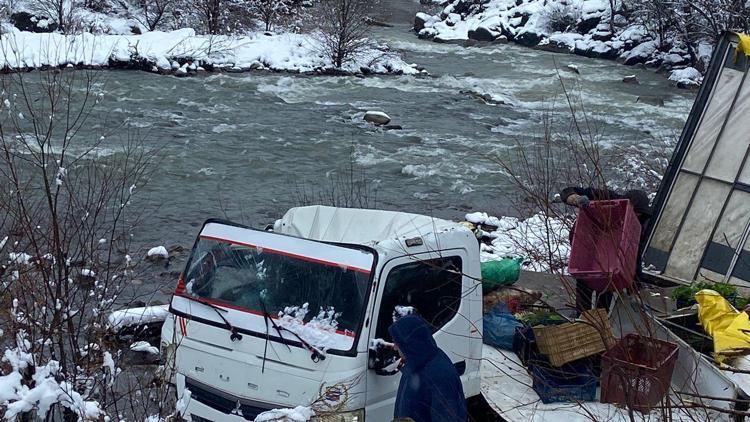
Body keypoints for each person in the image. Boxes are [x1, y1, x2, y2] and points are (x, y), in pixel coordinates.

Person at [560, 187, 652, 313]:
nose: (634, 216)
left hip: (610, 268)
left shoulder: (637, 227)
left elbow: (635, 259)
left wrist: (634, 292)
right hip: (587, 251)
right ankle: (583, 322)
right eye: (634, 212)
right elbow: (568, 191)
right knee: (583, 300)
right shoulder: (606, 199)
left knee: (603, 306)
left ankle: (600, 325)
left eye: (638, 214)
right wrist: (576, 199)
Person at [388, 314, 467, 422]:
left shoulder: (440, 375)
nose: (395, 347)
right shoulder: (415, 362)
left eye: (397, 342)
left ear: (410, 342)